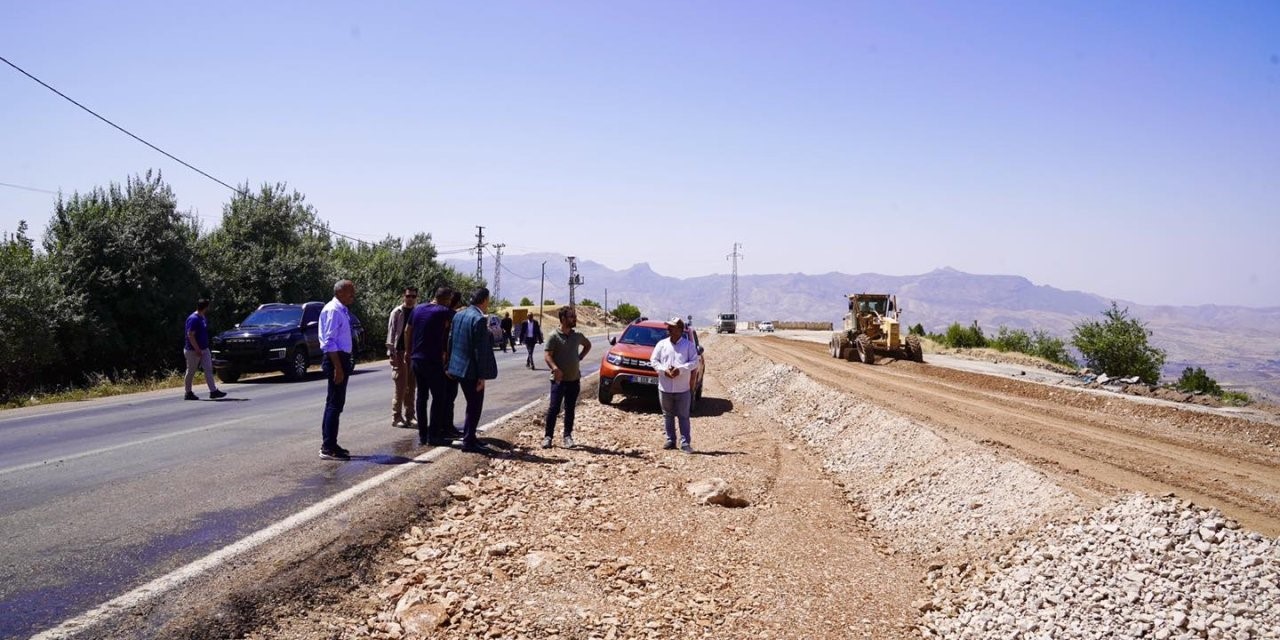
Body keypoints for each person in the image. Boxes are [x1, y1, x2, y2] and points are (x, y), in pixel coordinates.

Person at [405, 286, 461, 446]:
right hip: (432, 360)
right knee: (439, 397)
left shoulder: (418, 309)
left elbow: (408, 330)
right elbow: (459, 319)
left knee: (421, 397)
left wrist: (408, 351)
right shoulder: (443, 311)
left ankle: (423, 435)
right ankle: (434, 435)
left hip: (417, 359)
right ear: (447, 299)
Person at [446, 287, 498, 453]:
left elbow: (451, 340)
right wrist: (481, 376)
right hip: (471, 371)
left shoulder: (458, 315)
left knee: (471, 404)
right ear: (484, 300)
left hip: (457, 368)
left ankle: (472, 438)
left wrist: (449, 364)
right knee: (474, 405)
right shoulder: (479, 319)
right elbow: (480, 351)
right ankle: (469, 441)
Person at [542, 306, 592, 448]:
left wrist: (580, 356)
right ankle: (548, 437)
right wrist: (555, 368)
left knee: (570, 409)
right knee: (554, 409)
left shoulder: (577, 336)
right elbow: (547, 355)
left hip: (574, 380)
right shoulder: (554, 336)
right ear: (563, 319)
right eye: (571, 317)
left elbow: (588, 345)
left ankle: (567, 436)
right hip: (559, 381)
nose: (574, 319)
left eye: (574, 316)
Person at [318, 279, 357, 461]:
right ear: (340, 292)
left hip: (341, 358)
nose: (353, 296)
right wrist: (338, 368)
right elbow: (329, 341)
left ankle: (330, 442)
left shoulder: (342, 309)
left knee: (335, 403)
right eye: (350, 292)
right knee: (334, 403)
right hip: (336, 359)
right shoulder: (333, 310)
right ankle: (328, 447)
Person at [649, 317, 700, 453]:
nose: (668, 329)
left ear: (680, 329)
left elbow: (695, 362)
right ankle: (670, 440)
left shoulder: (688, 346)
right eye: (668, 327)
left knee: (683, 416)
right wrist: (663, 370)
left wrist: (680, 369)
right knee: (667, 415)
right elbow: (653, 360)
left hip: (682, 388)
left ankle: (685, 443)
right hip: (664, 387)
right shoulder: (661, 344)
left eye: (672, 327)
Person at [385, 286, 418, 427]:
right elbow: (391, 333)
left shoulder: (417, 312)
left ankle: (410, 415)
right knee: (400, 386)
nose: (410, 299)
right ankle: (396, 417)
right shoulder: (397, 312)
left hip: (413, 353)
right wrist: (391, 354)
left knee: (412, 386)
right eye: (408, 296)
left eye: (413, 296)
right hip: (399, 353)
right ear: (403, 296)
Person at [183, 299, 227, 401]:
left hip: (204, 349)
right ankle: (188, 392)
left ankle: (213, 391)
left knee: (208, 369)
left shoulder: (202, 317)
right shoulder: (193, 319)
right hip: (192, 350)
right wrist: (197, 349)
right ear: (206, 307)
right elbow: (190, 335)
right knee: (191, 371)